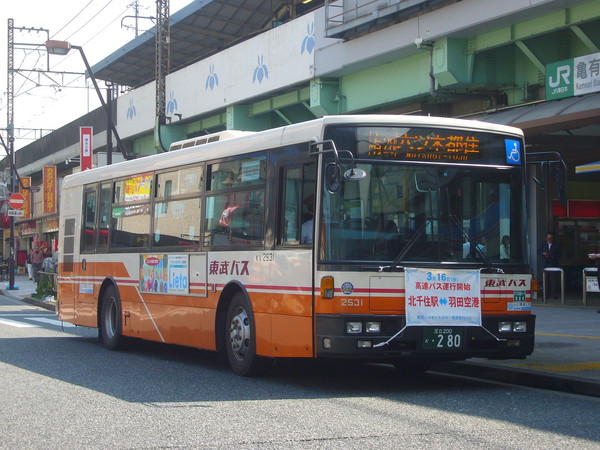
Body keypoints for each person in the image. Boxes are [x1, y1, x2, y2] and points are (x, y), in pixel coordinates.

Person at [538, 231, 561, 299]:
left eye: (551, 238)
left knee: (553, 280)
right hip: (545, 264)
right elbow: (539, 251)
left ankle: (554, 295)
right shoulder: (543, 244)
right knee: (545, 280)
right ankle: (546, 294)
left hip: (553, 263)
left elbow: (559, 254)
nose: (549, 240)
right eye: (548, 238)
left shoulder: (556, 245)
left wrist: (551, 256)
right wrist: (543, 253)